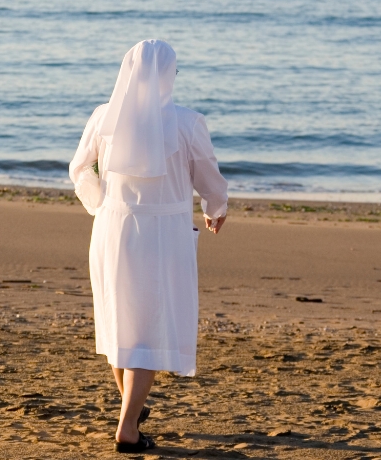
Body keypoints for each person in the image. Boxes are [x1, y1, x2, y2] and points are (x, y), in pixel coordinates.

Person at [69, 39, 228, 453]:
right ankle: (127, 428)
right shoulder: (188, 123)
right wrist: (216, 207)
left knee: (120, 323)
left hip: (113, 228)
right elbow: (208, 175)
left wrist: (101, 202)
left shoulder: (104, 117)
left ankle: (131, 411)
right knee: (150, 329)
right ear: (166, 76)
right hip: (164, 233)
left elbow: (78, 168)